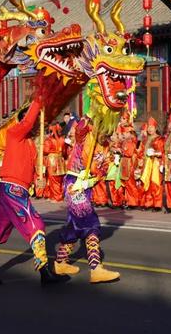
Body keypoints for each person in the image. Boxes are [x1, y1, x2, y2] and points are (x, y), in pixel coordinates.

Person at [0, 95, 70, 287]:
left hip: (18, 189)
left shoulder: (30, 144)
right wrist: (39, 98)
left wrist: (38, 179)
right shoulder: (15, 133)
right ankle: (44, 272)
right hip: (12, 189)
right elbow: (27, 120)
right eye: (33, 122)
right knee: (36, 224)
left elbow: (29, 166)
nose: (36, 126)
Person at [53, 118, 120, 284]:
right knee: (90, 224)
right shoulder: (85, 137)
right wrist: (92, 114)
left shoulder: (106, 148)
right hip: (74, 184)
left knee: (74, 226)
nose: (108, 133)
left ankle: (60, 263)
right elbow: (80, 129)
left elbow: (102, 172)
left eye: (110, 130)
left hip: (86, 186)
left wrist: (90, 181)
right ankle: (96, 269)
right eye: (106, 129)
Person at [139, 117, 164, 211]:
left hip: (155, 164)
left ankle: (157, 204)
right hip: (146, 164)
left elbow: (162, 152)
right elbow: (140, 151)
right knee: (146, 184)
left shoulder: (160, 139)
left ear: (155, 128)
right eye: (148, 127)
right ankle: (148, 203)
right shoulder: (145, 140)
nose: (150, 129)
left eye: (152, 127)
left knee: (155, 184)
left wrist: (154, 153)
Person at [43, 124, 65, 203]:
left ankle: (57, 197)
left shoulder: (49, 140)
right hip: (60, 160)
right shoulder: (62, 139)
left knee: (53, 180)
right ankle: (54, 196)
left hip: (52, 160)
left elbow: (45, 150)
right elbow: (65, 151)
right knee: (60, 179)